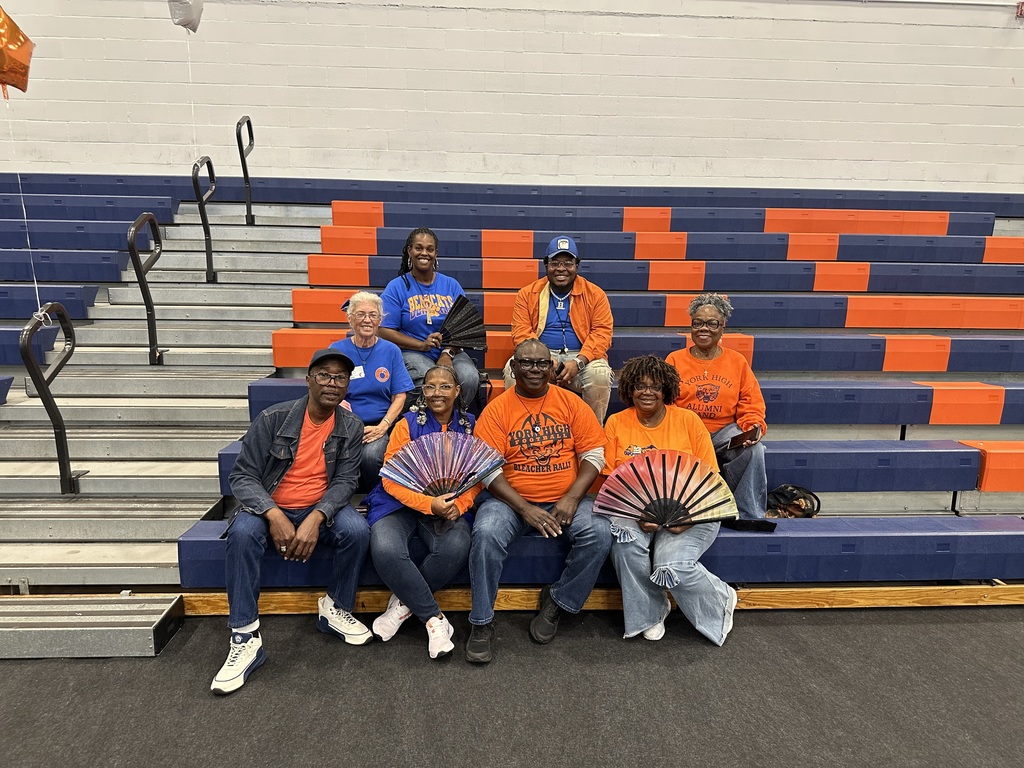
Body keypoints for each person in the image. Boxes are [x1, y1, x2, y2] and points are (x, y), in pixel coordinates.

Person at [211, 349, 371, 695]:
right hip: (270, 505)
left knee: (357, 530)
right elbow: (242, 478)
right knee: (241, 533)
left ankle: (335, 607)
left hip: (318, 506)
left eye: (340, 378)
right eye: (325, 375)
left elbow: (346, 481)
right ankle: (244, 636)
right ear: (309, 380)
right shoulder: (273, 419)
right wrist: (274, 514)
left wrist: (316, 516)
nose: (332, 383)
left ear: (347, 386)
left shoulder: (351, 426)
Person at [466, 338, 612, 663]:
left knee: (601, 532)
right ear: (514, 368)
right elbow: (487, 471)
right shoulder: (497, 410)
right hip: (510, 502)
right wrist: (525, 508)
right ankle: (481, 622)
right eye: (527, 363)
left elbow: (594, 454)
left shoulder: (572, 403)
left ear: (552, 367)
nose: (535, 369)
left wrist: (573, 497)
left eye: (542, 363)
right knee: (486, 533)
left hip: (566, 497)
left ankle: (558, 602)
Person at [601, 355, 738, 645]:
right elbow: (612, 481)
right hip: (637, 511)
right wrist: (640, 511)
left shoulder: (688, 421)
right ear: (629, 389)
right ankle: (651, 613)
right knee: (625, 543)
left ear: (667, 391)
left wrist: (688, 516)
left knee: (670, 567)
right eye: (640, 385)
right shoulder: (616, 423)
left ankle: (720, 598)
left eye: (656, 386)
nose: (647, 392)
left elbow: (709, 477)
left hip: (692, 512)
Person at [364, 365, 479, 659]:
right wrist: (429, 504)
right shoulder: (407, 424)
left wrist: (461, 504)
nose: (437, 393)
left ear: (457, 391)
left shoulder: (471, 425)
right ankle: (433, 619)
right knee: (386, 548)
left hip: (450, 507)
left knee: (456, 545)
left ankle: (402, 606)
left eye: (444, 386)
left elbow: (481, 475)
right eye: (430, 387)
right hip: (398, 504)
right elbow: (391, 477)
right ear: (422, 392)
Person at [666, 293, 768, 519]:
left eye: (712, 323)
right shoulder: (674, 359)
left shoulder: (737, 361)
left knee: (754, 450)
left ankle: (748, 515)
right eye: (698, 323)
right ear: (691, 327)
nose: (704, 328)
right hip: (687, 430)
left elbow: (750, 402)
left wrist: (753, 427)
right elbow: (666, 404)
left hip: (724, 432)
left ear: (723, 328)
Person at [506, 235, 615, 423]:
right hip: (540, 356)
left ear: (577, 266)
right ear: (546, 265)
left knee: (600, 375)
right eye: (555, 263)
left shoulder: (595, 294)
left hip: (582, 357)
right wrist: (545, 359)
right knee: (512, 370)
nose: (561, 269)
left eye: (568, 263)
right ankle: (517, 428)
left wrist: (579, 362)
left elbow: (602, 333)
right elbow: (521, 332)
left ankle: (592, 435)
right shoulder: (527, 293)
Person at [378, 227, 480, 407]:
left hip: (451, 350)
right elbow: (384, 330)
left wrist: (447, 353)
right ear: (410, 251)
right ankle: (426, 427)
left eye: (429, 249)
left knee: (469, 377)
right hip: (413, 351)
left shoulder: (451, 285)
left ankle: (456, 422)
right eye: (418, 248)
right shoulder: (397, 287)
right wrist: (422, 345)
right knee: (431, 378)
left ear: (436, 253)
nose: (424, 253)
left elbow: (465, 326)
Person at [329, 291, 414, 491]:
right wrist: (338, 401)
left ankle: (372, 496)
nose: (367, 320)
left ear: (379, 320)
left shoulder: (391, 350)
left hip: (378, 424)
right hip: (343, 422)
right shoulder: (336, 349)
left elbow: (400, 395)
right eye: (360, 314)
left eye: (373, 315)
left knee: (371, 455)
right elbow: (326, 386)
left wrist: (383, 426)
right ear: (350, 319)